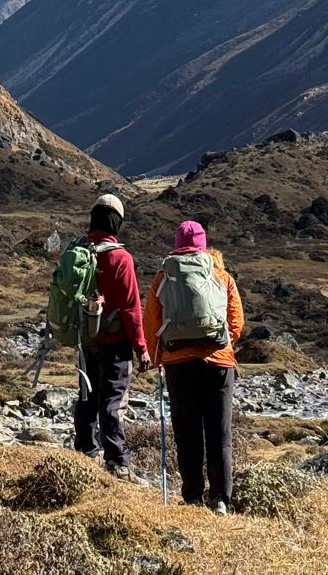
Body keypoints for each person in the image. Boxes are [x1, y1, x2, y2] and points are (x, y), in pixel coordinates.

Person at [144, 219, 244, 514]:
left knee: (187, 431)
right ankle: (221, 499)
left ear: (176, 245)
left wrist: (157, 356)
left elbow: (151, 321)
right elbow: (236, 322)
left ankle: (191, 496)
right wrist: (221, 343)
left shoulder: (164, 276)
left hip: (178, 363)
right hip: (219, 362)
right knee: (219, 432)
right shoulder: (221, 275)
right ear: (203, 244)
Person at [71, 192, 150, 478]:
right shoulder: (120, 258)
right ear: (116, 222)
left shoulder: (78, 253)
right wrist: (141, 347)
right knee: (113, 400)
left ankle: (84, 454)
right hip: (115, 341)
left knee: (86, 396)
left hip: (85, 340)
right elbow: (131, 307)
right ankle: (117, 462)